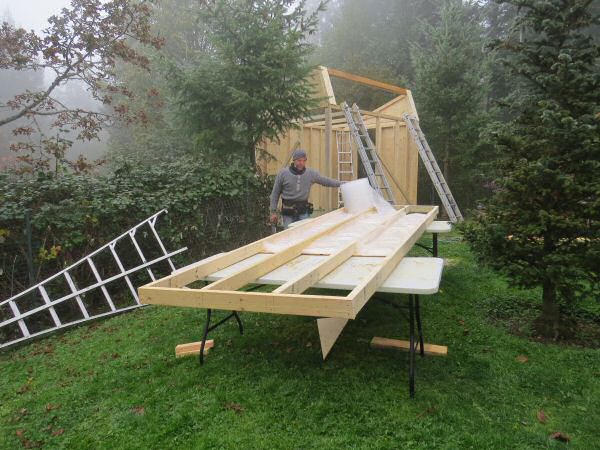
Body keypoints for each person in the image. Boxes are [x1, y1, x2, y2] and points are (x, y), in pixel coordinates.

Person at [270, 149, 341, 229]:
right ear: (294, 160)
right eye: (299, 160)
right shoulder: (283, 174)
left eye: (304, 161)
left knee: (304, 234)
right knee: (289, 236)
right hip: (288, 214)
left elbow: (326, 181)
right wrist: (273, 212)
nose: (301, 163)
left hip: (303, 213)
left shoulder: (311, 174)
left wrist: (342, 184)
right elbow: (275, 194)